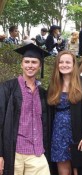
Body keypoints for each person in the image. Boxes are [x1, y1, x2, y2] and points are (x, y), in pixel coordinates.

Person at [0, 43, 51, 175]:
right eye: (26, 61)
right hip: (14, 152)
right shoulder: (7, 88)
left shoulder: (43, 93)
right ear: (21, 64)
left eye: (34, 62)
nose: (30, 65)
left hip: (37, 153)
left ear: (39, 66)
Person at [47, 51, 82, 175]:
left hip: (78, 131)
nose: (64, 65)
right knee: (63, 166)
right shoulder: (54, 85)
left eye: (67, 62)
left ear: (73, 64)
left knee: (78, 168)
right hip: (58, 133)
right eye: (61, 62)